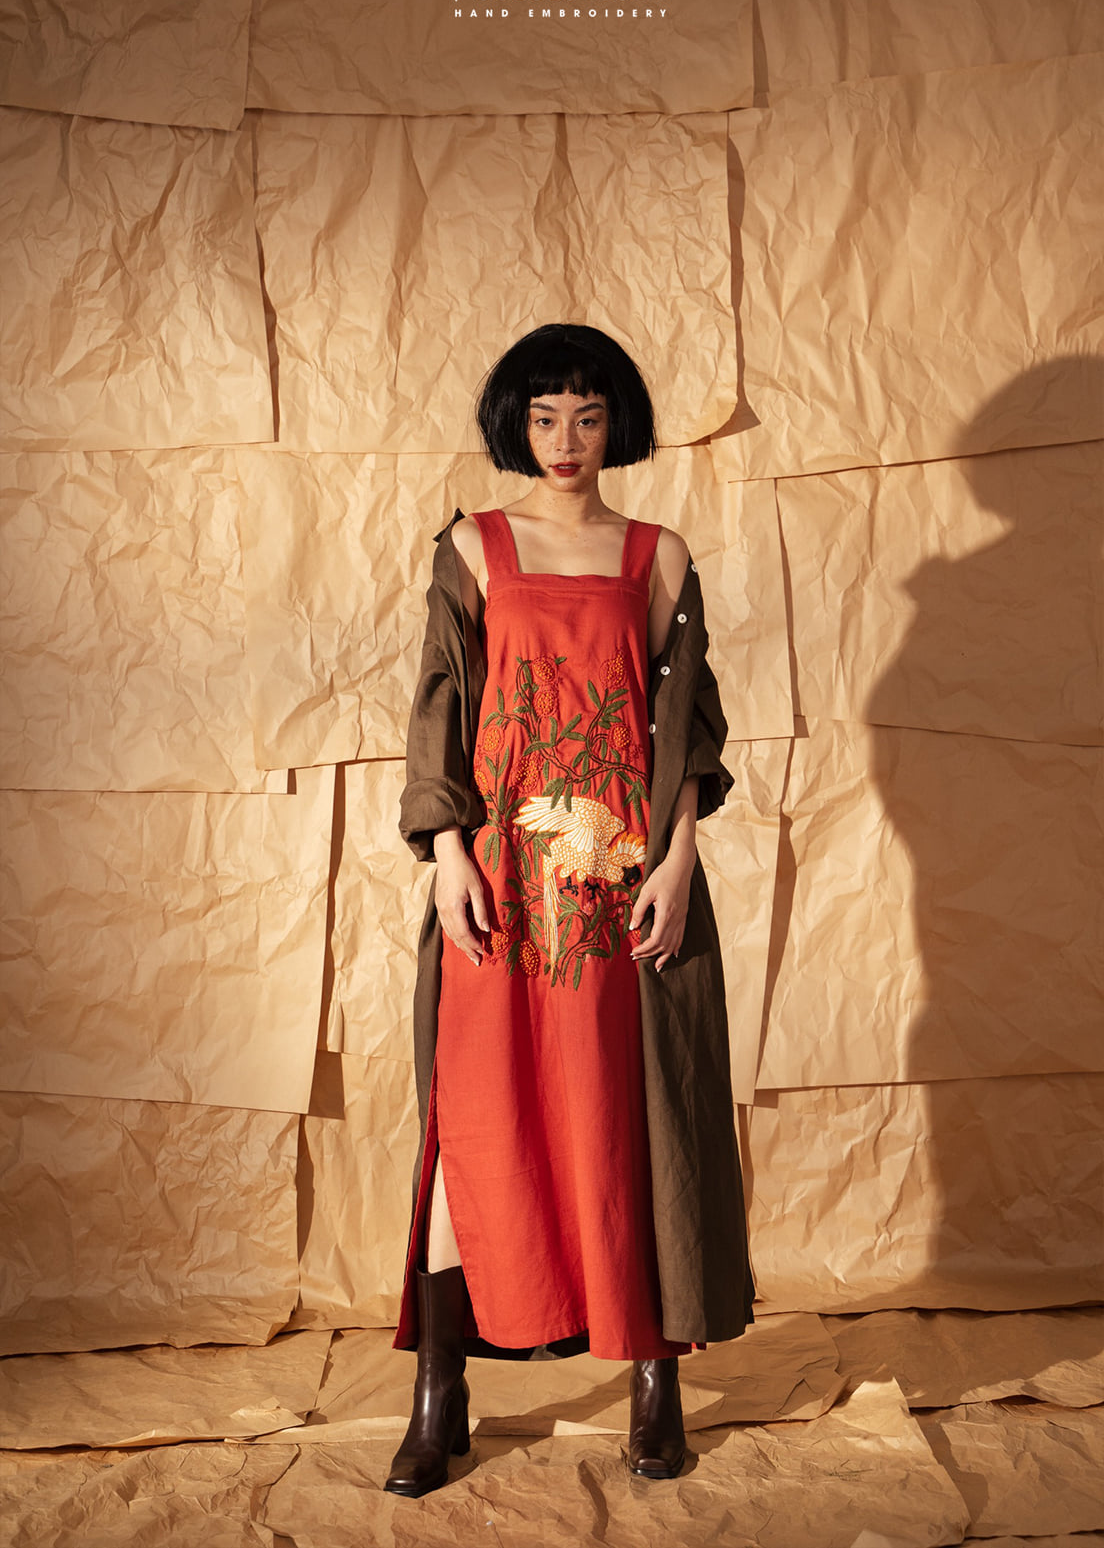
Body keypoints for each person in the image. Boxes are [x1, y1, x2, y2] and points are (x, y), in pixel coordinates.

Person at [386, 323, 754, 1499]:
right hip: (500, 887)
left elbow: (686, 724)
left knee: (630, 1120)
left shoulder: (657, 554)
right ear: (516, 421)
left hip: (625, 888)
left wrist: (680, 857)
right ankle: (441, 1388)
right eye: (544, 416)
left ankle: (655, 1374)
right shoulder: (474, 546)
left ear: (616, 424)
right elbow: (441, 707)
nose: (565, 441)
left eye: (587, 417)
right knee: (473, 1127)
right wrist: (448, 853)